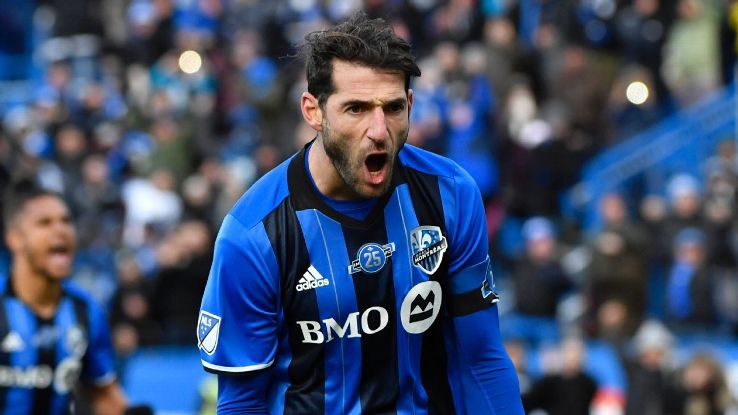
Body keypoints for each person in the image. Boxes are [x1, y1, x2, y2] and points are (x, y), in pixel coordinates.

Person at [197, 11, 524, 414]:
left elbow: (482, 359)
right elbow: (242, 403)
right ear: (313, 111)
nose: (379, 130)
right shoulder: (254, 235)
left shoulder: (451, 194)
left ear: (410, 104)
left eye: (391, 108)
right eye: (356, 109)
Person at [1, 178, 129, 414]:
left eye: (66, 221)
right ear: (15, 239)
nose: (60, 230)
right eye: (44, 223)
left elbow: (104, 395)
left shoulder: (86, 310)